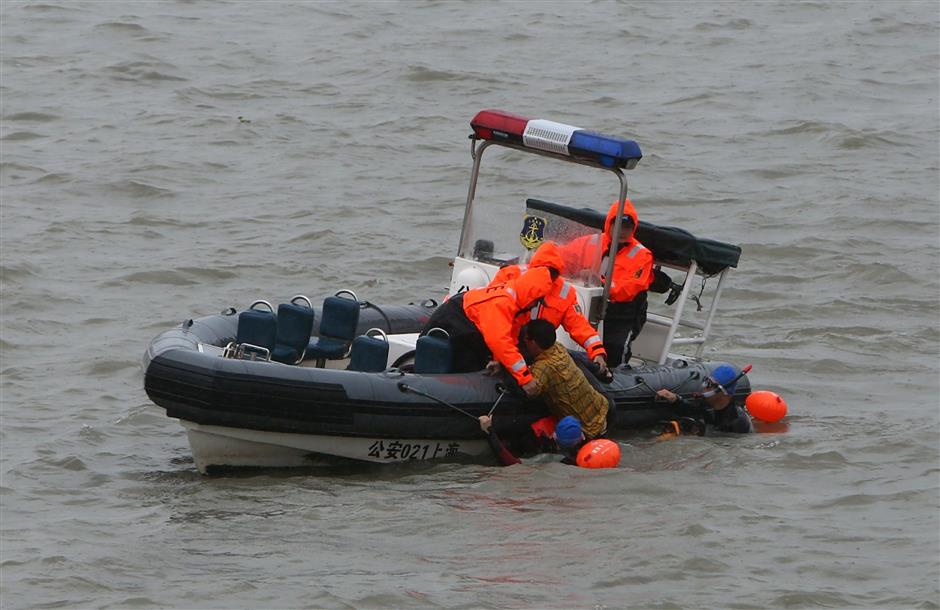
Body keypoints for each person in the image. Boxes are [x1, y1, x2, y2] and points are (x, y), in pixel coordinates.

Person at [420, 266, 556, 396]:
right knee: (462, 362)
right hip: (455, 317)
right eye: (536, 301)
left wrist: (499, 361)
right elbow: (499, 341)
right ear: (530, 295)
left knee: (479, 358)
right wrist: (525, 379)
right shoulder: (503, 303)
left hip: (469, 318)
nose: (535, 306)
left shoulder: (516, 302)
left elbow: (510, 335)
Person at [490, 240, 610, 379]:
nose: (547, 276)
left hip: (540, 348)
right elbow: (494, 318)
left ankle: (601, 372)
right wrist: (498, 357)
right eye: (543, 270)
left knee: (579, 360)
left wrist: (597, 351)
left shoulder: (565, 292)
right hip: (508, 343)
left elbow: (579, 326)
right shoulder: (510, 275)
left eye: (551, 273)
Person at [559, 199, 654, 367]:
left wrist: (602, 283)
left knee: (615, 351)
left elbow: (630, 288)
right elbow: (562, 257)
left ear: (633, 228)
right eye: (617, 225)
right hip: (586, 305)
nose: (622, 231)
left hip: (622, 313)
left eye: (627, 227)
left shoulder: (642, 255)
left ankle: (617, 378)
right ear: (608, 224)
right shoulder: (589, 242)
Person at [520, 319, 610, 439]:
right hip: (601, 409)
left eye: (526, 340)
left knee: (530, 434)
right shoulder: (558, 347)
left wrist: (507, 368)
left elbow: (529, 391)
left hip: (587, 429)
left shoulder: (543, 368)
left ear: (534, 343)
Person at [654, 364, 754, 435]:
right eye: (705, 381)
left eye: (708, 384)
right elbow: (694, 411)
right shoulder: (710, 404)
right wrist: (675, 399)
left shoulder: (736, 421)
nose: (703, 387)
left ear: (722, 391)